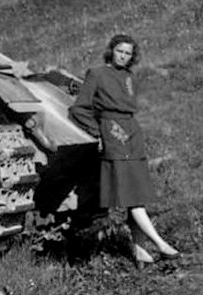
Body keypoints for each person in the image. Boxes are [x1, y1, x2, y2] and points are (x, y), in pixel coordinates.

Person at [68, 33, 180, 265]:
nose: (123, 56)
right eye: (120, 51)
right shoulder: (96, 74)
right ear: (111, 50)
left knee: (136, 194)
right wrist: (98, 132)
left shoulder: (129, 77)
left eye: (128, 53)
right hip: (114, 136)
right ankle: (161, 244)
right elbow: (79, 109)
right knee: (131, 196)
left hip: (132, 134)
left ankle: (139, 250)